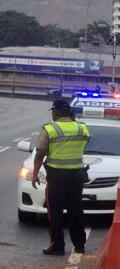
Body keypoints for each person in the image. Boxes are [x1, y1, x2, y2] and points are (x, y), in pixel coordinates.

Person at [32, 99, 91, 256]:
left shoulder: (50, 129)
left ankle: (57, 246)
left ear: (56, 112)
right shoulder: (82, 128)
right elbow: (85, 142)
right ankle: (79, 245)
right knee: (76, 210)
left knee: (55, 212)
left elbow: (40, 153)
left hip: (57, 177)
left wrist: (35, 173)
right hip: (77, 176)